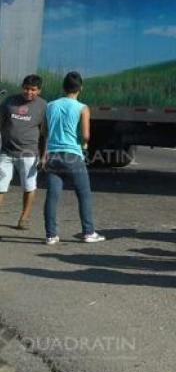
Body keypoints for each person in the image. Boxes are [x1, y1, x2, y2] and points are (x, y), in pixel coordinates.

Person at [43, 72, 105, 245]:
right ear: (80, 88)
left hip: (53, 155)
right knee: (84, 194)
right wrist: (83, 143)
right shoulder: (82, 108)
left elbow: (44, 132)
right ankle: (88, 232)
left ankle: (50, 235)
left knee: (52, 196)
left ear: (63, 87)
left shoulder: (50, 106)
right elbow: (85, 135)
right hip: (72, 154)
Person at [0, 74, 47, 230]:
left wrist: (44, 154)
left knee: (29, 186)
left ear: (39, 90)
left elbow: (44, 133)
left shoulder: (43, 106)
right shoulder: (9, 102)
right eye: (26, 88)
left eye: (33, 90)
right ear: (22, 87)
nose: (29, 92)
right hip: (6, 152)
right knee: (0, 186)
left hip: (29, 154)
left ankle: (24, 218)